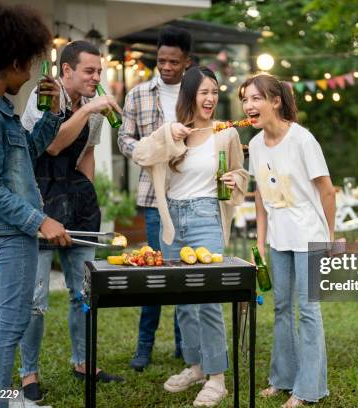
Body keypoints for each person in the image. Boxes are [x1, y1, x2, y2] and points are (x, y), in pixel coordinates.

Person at [0, 2, 71, 407]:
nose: (29, 77)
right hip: (12, 229)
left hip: (14, 226)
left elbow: (24, 154)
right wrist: (40, 220)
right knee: (12, 324)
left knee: (2, 322)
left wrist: (53, 113)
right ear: (14, 61)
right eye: (28, 67)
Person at [132, 66, 248, 407]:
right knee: (183, 300)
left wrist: (235, 180)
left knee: (209, 300)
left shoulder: (225, 133)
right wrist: (169, 133)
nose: (211, 98)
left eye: (214, 92)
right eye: (204, 92)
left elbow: (241, 172)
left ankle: (217, 378)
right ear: (190, 97)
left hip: (205, 217)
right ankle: (196, 366)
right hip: (173, 222)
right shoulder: (172, 133)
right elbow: (140, 154)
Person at [18, 40, 124, 402]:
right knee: (35, 299)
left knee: (84, 291)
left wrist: (86, 201)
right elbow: (53, 145)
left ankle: (83, 362)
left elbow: (87, 154)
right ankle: (28, 373)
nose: (97, 78)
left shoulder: (92, 109)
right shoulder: (45, 94)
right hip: (38, 200)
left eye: (100, 72)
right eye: (89, 71)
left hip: (74, 199)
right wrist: (92, 107)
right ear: (67, 71)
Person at [240, 74, 335, 408]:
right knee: (281, 308)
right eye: (245, 100)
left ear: (275, 101)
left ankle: (308, 389)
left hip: (310, 236)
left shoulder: (302, 140)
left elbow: (326, 190)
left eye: (255, 99)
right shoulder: (253, 144)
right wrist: (261, 246)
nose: (248, 106)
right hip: (279, 240)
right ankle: (282, 378)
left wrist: (329, 237)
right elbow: (260, 199)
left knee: (308, 311)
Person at [117, 26, 192, 371]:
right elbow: (124, 139)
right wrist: (148, 150)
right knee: (155, 272)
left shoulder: (194, 95)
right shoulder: (137, 95)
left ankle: (184, 347)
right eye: (161, 60)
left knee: (185, 273)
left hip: (190, 194)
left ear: (186, 62)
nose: (166, 67)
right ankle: (144, 347)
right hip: (152, 198)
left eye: (173, 62)